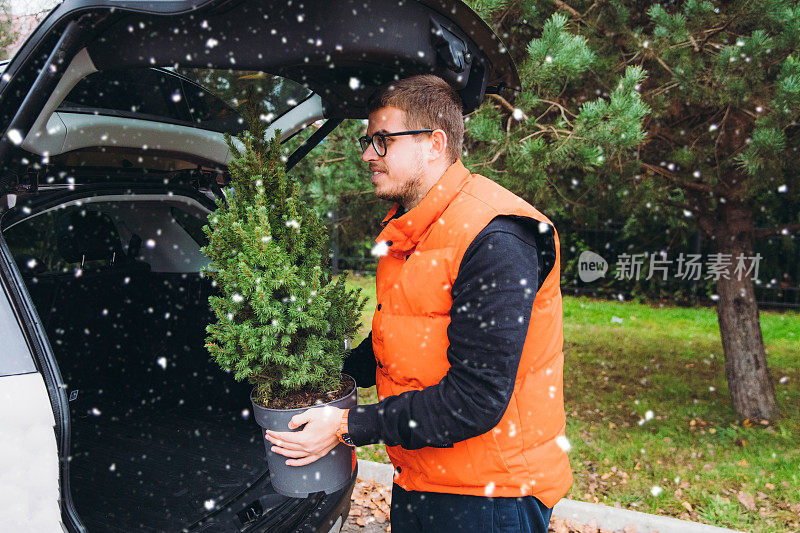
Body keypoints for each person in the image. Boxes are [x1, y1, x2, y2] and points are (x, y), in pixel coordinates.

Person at [265, 74, 572, 532]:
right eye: (367, 141)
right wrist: (323, 374)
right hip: (423, 475)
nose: (367, 154)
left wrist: (346, 425)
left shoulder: (496, 237)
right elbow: (407, 335)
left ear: (434, 143)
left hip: (490, 497)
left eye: (383, 140)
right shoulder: (418, 227)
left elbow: (475, 400)